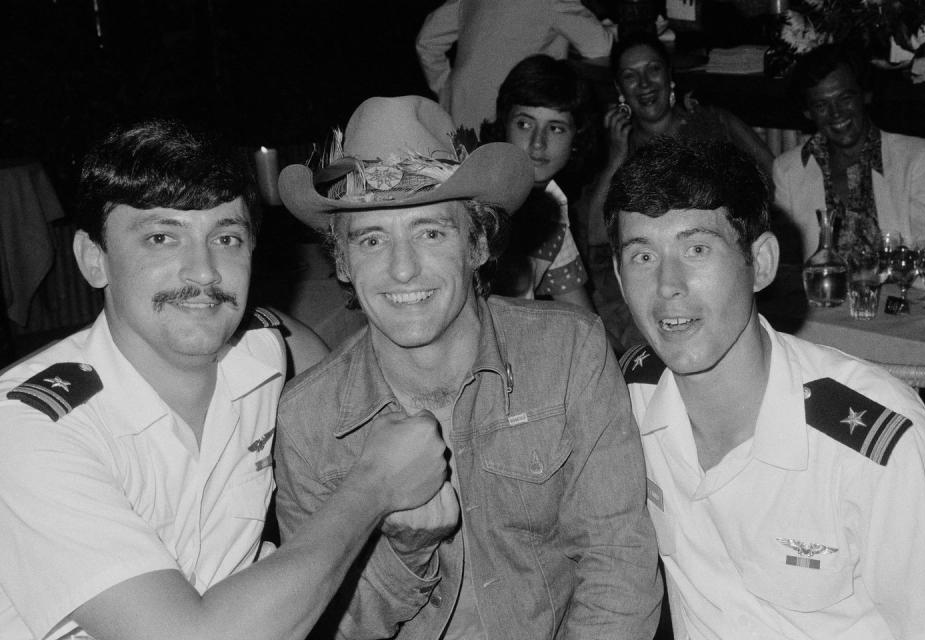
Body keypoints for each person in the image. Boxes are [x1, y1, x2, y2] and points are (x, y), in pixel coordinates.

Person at [0, 120, 453, 640]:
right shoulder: (29, 430)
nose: (204, 272)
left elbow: (284, 333)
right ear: (93, 259)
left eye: (227, 238)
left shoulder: (260, 355)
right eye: (161, 237)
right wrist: (373, 485)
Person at [275, 95, 662, 639]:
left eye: (431, 232)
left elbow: (617, 566)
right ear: (342, 260)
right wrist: (407, 551)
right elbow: (330, 628)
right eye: (371, 239)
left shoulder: (570, 353)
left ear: (477, 243)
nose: (402, 269)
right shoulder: (308, 420)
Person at [607, 136, 925, 639]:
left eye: (697, 249)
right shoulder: (626, 396)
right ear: (620, 280)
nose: (668, 286)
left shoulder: (876, 452)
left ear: (762, 263)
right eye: (643, 257)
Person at [577, 31, 773, 353]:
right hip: (643, 289)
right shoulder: (613, 146)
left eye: (652, 69)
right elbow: (598, 243)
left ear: (669, 76)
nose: (644, 83)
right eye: (630, 76)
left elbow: (775, 185)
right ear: (619, 89)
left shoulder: (714, 123)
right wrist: (616, 157)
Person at [773, 44, 925, 262]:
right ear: (808, 112)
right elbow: (788, 268)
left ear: (865, 95)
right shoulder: (787, 170)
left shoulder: (920, 158)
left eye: (845, 98)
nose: (836, 113)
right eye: (821, 105)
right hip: (821, 295)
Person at [483, 54, 594, 310]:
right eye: (524, 124)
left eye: (555, 128)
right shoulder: (477, 200)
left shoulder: (554, 206)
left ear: (577, 139)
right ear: (504, 125)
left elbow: (582, 317)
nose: (537, 143)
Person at [415, 0, 614, 132]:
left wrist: (445, 87)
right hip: (514, 117)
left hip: (459, 110)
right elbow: (599, 45)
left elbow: (427, 41)